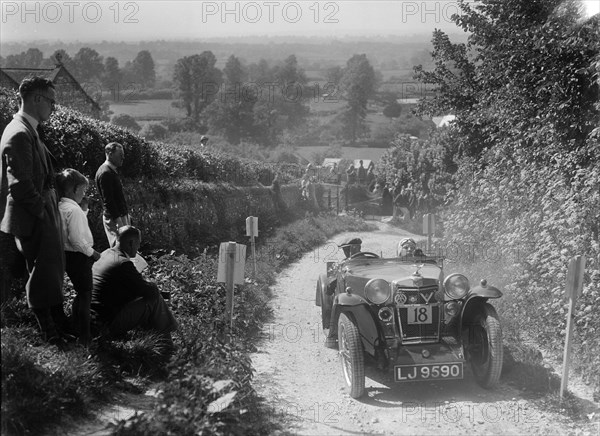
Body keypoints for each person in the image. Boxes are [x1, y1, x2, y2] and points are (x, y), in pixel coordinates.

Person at [0, 76, 69, 346]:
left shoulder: (27, 128)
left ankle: (56, 327)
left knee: (48, 270)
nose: (54, 107)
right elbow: (20, 184)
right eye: (51, 101)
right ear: (36, 99)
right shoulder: (19, 132)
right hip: (32, 214)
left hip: (38, 210)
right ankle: (49, 333)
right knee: (42, 271)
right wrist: (42, 212)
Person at [91, 226, 178, 346]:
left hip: (92, 318)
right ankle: (167, 344)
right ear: (131, 243)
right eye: (138, 244)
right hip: (106, 324)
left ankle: (154, 338)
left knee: (145, 296)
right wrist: (152, 285)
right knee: (154, 299)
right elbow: (149, 292)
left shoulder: (106, 253)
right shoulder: (122, 263)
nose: (138, 248)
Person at [57, 169, 101, 346]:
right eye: (82, 191)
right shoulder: (73, 211)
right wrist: (93, 253)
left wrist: (84, 208)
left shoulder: (63, 207)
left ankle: (76, 325)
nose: (84, 194)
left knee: (81, 292)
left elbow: (74, 226)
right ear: (73, 189)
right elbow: (76, 240)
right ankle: (85, 335)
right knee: (85, 294)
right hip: (79, 256)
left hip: (68, 255)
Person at [95, 142, 129, 247]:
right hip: (114, 218)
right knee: (119, 247)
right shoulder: (105, 173)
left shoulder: (110, 171)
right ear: (110, 154)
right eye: (120, 155)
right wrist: (118, 221)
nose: (123, 158)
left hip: (118, 216)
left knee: (125, 246)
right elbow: (108, 200)